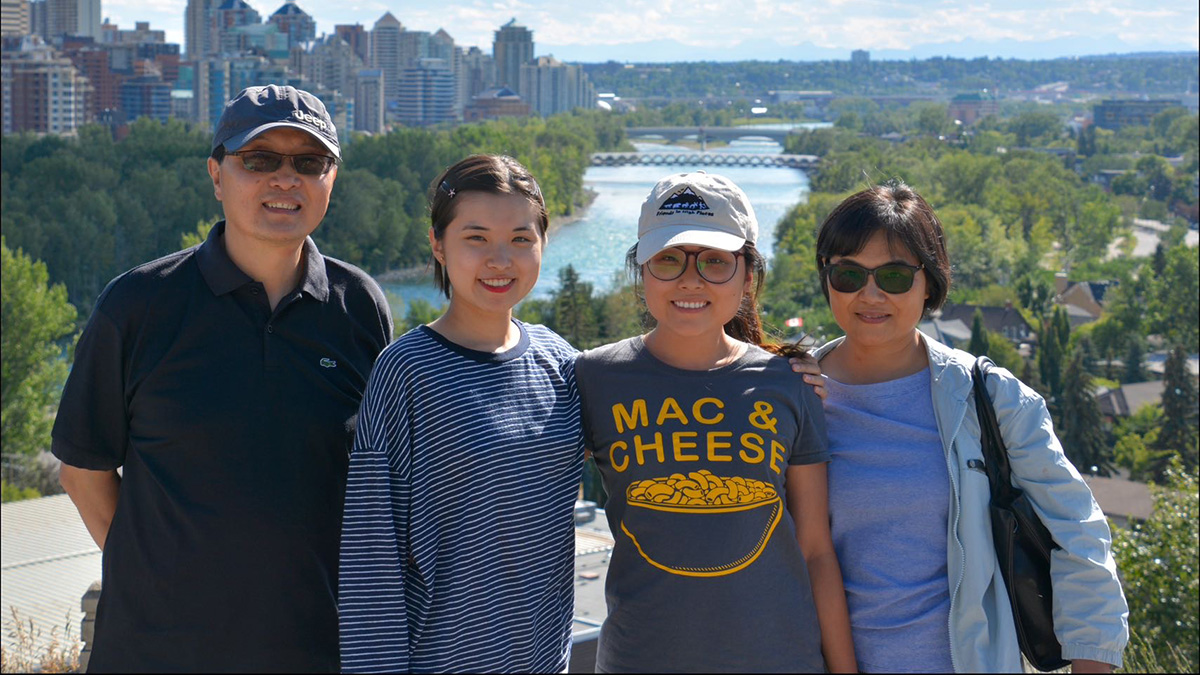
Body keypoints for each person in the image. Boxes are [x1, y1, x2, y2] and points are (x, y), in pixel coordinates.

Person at [52, 85, 393, 672]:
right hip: (156, 653)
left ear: (331, 178)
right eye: (259, 161)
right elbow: (84, 471)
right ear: (217, 174)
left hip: (317, 652)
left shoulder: (359, 307)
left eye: (309, 163)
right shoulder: (138, 306)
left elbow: (378, 480)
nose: (285, 179)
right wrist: (160, 577)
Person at [809, 181, 1129, 673]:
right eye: (848, 275)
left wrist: (1092, 664)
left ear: (929, 283)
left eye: (894, 276)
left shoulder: (990, 398)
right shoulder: (790, 397)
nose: (869, 294)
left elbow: (1080, 537)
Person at [575, 171, 857, 673]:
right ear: (641, 271)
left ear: (748, 276)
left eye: (714, 262)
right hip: (641, 659)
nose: (690, 280)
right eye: (667, 259)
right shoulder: (594, 377)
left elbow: (815, 550)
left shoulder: (790, 384)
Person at [337, 155, 584, 673]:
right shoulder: (407, 370)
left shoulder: (559, 360)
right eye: (476, 238)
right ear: (437, 244)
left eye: (521, 239)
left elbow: (655, 410)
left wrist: (787, 373)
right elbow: (371, 549)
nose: (501, 259)